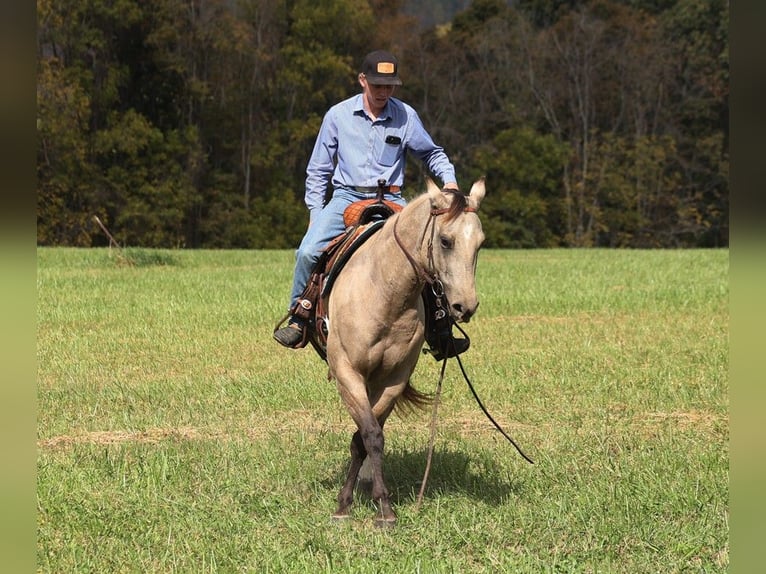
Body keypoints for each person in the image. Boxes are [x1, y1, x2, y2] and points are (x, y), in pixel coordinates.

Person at [273, 50, 468, 358]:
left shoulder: (406, 116)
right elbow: (318, 170)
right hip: (346, 197)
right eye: (377, 85)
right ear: (362, 80)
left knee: (428, 257)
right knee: (308, 250)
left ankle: (439, 330)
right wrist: (315, 211)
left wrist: (451, 182)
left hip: (391, 198)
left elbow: (432, 153)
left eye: (389, 86)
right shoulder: (338, 115)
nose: (383, 92)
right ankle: (300, 316)